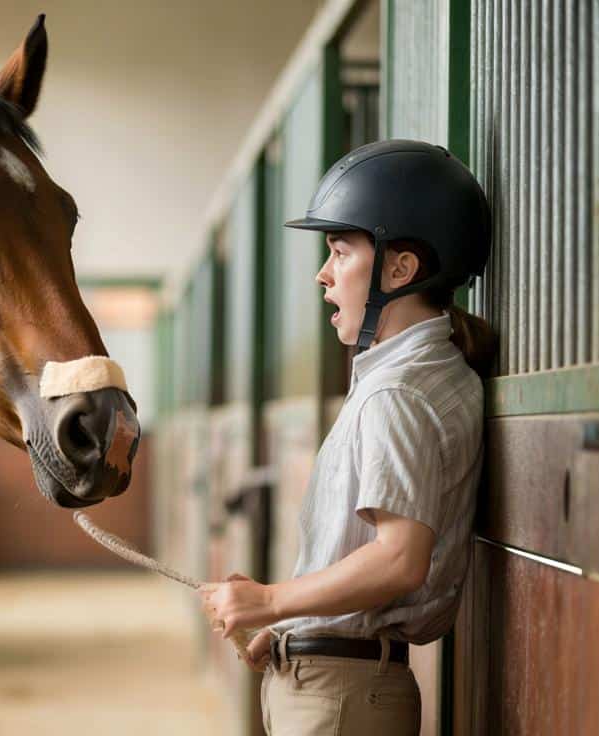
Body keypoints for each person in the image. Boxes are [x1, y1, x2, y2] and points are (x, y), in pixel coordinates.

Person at [199, 139, 496, 735]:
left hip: (341, 697)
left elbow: (398, 559)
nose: (323, 274)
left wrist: (272, 602)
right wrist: (293, 627)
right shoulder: (408, 376)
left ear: (399, 269)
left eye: (339, 252)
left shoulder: (399, 393)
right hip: (335, 680)